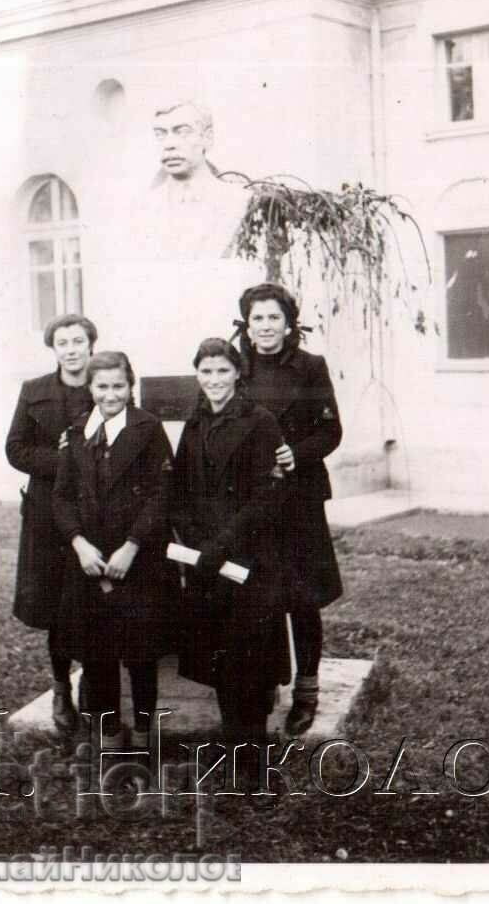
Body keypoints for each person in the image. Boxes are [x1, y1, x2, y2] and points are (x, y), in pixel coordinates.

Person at [52, 351, 177, 749]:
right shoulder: (76, 433)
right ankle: (108, 734)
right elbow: (61, 497)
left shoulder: (148, 429)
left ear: (130, 386)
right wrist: (79, 543)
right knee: (97, 653)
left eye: (118, 386)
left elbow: (161, 496)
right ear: (90, 388)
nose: (110, 395)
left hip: (136, 560)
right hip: (90, 561)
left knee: (141, 654)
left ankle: (142, 735)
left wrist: (133, 545)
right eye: (102, 386)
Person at [235, 283, 343, 736]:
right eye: (257, 318)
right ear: (247, 322)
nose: (265, 327)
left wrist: (295, 454)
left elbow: (331, 431)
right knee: (257, 593)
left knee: (302, 595)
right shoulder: (235, 366)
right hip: (250, 500)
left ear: (288, 322)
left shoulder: (309, 367)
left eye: (273, 318)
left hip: (298, 497)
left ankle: (307, 690)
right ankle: (263, 684)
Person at [172, 337, 290, 747]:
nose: (214, 379)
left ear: (238, 373)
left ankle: (254, 758)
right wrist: (197, 543)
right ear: (197, 375)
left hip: (250, 559)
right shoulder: (194, 422)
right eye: (206, 371)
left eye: (222, 370)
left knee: (252, 663)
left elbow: (267, 497)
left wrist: (221, 545)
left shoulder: (260, 421)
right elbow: (180, 493)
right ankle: (234, 746)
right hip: (207, 560)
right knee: (220, 659)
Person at [5, 313, 98, 735]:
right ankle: (61, 688)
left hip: (97, 513)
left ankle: (96, 687)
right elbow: (16, 449)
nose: (72, 349)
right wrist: (62, 460)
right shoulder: (35, 391)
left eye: (78, 340)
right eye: (63, 342)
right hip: (46, 514)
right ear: (54, 348)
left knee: (96, 600)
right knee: (56, 606)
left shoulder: (107, 386)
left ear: (90, 344)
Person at [137, 100, 248, 259]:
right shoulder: (141, 208)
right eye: (160, 134)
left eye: (182, 131)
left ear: (208, 138)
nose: (168, 144)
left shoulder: (240, 201)